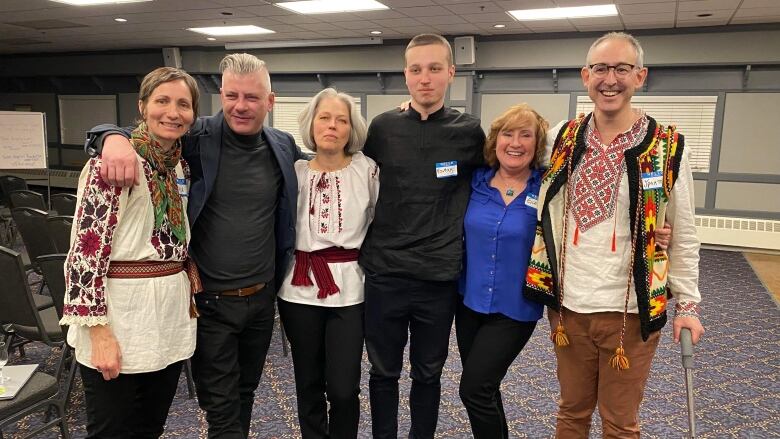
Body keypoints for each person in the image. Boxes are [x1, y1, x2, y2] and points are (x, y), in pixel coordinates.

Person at [86, 53, 304, 438]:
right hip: (211, 301)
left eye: (252, 97)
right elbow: (144, 132)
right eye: (232, 95)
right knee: (220, 408)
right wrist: (108, 137)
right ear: (221, 95)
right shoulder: (195, 137)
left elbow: (329, 157)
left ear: (270, 102)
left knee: (246, 393)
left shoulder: (282, 145)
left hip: (261, 300)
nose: (241, 105)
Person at [524, 32, 705, 438]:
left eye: (622, 69)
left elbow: (686, 232)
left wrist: (688, 303)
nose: (611, 79)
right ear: (585, 76)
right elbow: (506, 151)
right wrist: (416, 112)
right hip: (568, 305)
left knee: (620, 422)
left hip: (631, 309)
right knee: (570, 412)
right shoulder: (561, 137)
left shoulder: (668, 145)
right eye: (601, 69)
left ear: (640, 76)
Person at [61, 66, 199, 438]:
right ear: (142, 107)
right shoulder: (111, 164)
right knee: (111, 430)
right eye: (162, 101)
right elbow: (84, 255)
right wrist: (99, 332)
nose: (173, 112)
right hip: (119, 321)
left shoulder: (178, 167)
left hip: (166, 320)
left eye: (183, 104)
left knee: (148, 427)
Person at [359, 34, 485, 439]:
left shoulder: (469, 132)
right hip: (385, 273)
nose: (424, 78)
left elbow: (502, 179)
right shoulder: (382, 128)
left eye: (434, 69)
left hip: (438, 276)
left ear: (451, 72)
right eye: (416, 69)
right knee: (383, 372)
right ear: (405, 75)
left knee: (428, 374)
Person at [277, 88, 378, 438]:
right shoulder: (294, 171)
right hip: (298, 289)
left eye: (341, 120)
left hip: (349, 290)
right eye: (325, 117)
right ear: (311, 124)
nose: (332, 126)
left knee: (342, 387)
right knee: (307, 382)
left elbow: (381, 221)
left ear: (352, 129)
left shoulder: (367, 170)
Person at [456, 104, 547, 438]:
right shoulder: (474, 181)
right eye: (508, 133)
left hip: (515, 309)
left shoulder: (549, 188)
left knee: (473, 390)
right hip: (469, 304)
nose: (516, 142)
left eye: (526, 135)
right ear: (495, 141)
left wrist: (656, 231)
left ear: (537, 145)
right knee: (486, 387)